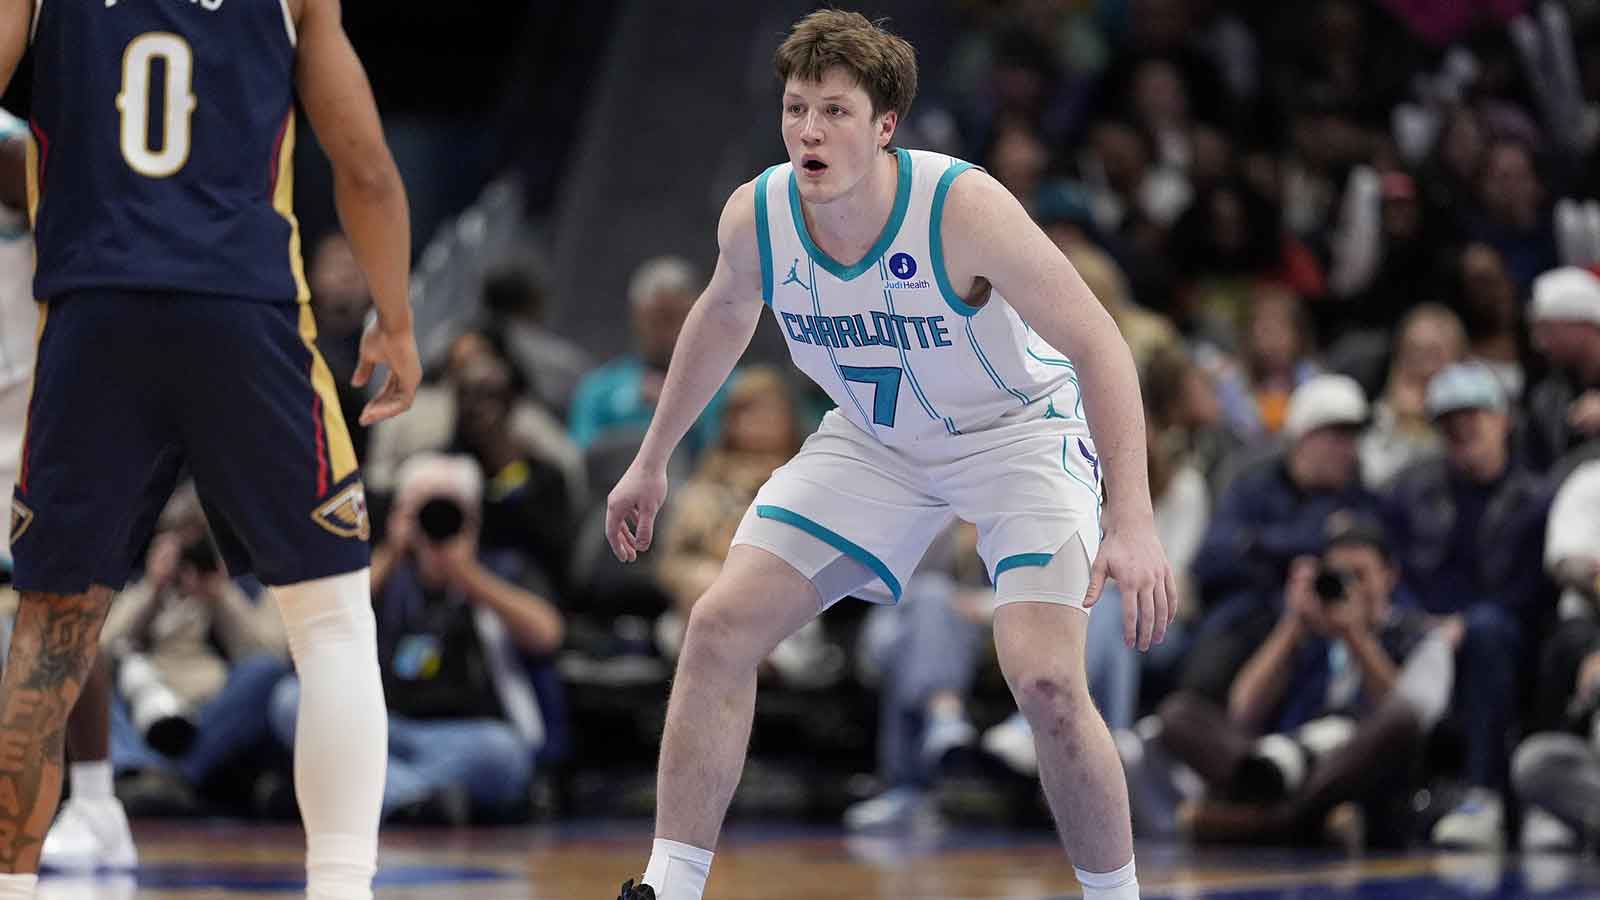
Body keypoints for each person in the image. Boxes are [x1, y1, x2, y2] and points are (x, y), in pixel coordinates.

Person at [606, 12, 1175, 900]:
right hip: (878, 442)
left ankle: (1118, 895)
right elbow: (721, 316)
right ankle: (668, 887)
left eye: (835, 111)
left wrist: (1133, 518)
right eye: (797, 108)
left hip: (1017, 435)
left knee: (1047, 683)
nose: (809, 132)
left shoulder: (964, 207)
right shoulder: (757, 213)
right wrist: (652, 459)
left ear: (884, 126)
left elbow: (1100, 344)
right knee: (718, 627)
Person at [0, 2, 421, 898]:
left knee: (48, 632)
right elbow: (369, 172)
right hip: (242, 309)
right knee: (334, 622)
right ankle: (342, 887)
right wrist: (396, 319)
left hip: (93, 309)